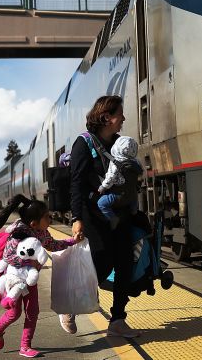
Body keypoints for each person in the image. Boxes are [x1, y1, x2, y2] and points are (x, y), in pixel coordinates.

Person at [65, 95, 139, 338]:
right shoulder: (83, 144)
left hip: (120, 213)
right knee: (101, 262)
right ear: (107, 117)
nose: (123, 119)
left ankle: (117, 319)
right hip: (94, 215)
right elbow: (76, 185)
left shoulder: (119, 143)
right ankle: (71, 306)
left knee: (125, 263)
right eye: (120, 114)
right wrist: (77, 219)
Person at [0, 194, 76, 358]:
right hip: (14, 280)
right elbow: (8, 257)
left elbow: (53, 245)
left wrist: (72, 241)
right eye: (46, 217)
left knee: (33, 312)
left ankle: (25, 346)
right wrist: (29, 264)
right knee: (14, 314)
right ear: (34, 223)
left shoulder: (42, 232)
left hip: (30, 279)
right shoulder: (18, 234)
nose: (50, 219)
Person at [97, 135, 143, 229]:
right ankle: (134, 210)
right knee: (133, 194)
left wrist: (103, 187)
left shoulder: (115, 164)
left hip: (118, 195)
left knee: (101, 203)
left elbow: (110, 177)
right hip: (131, 194)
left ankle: (113, 218)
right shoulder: (136, 163)